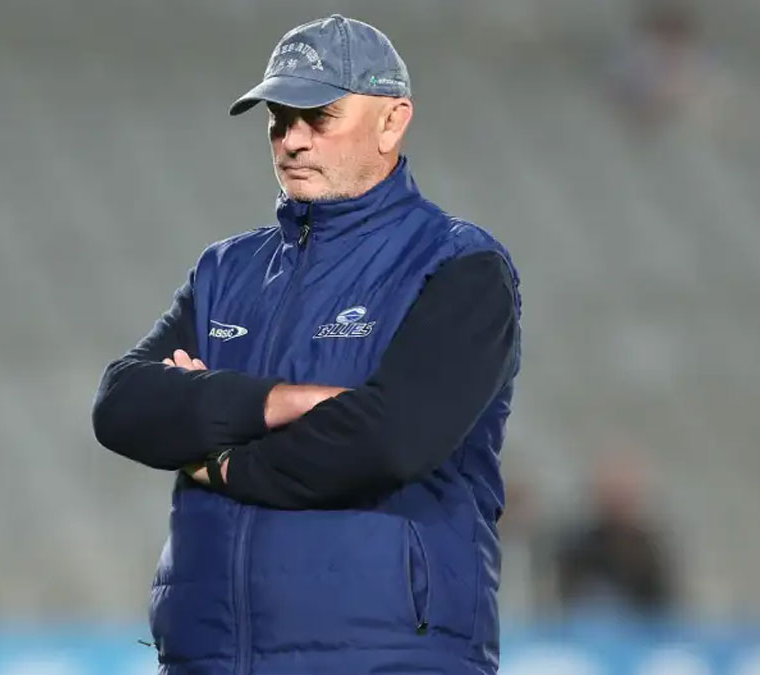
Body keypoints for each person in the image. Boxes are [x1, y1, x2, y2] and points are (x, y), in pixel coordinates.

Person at [92, 14, 522, 674]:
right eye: (278, 120)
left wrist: (221, 459)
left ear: (392, 121)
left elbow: (388, 439)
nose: (292, 140)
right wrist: (277, 403)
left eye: (318, 117)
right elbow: (121, 405)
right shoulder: (225, 270)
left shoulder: (459, 266)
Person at [551, 451, 678, 619]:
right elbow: (567, 597)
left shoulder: (650, 548)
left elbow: (663, 603)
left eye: (625, 493)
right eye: (613, 492)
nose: (619, 501)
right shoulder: (578, 546)